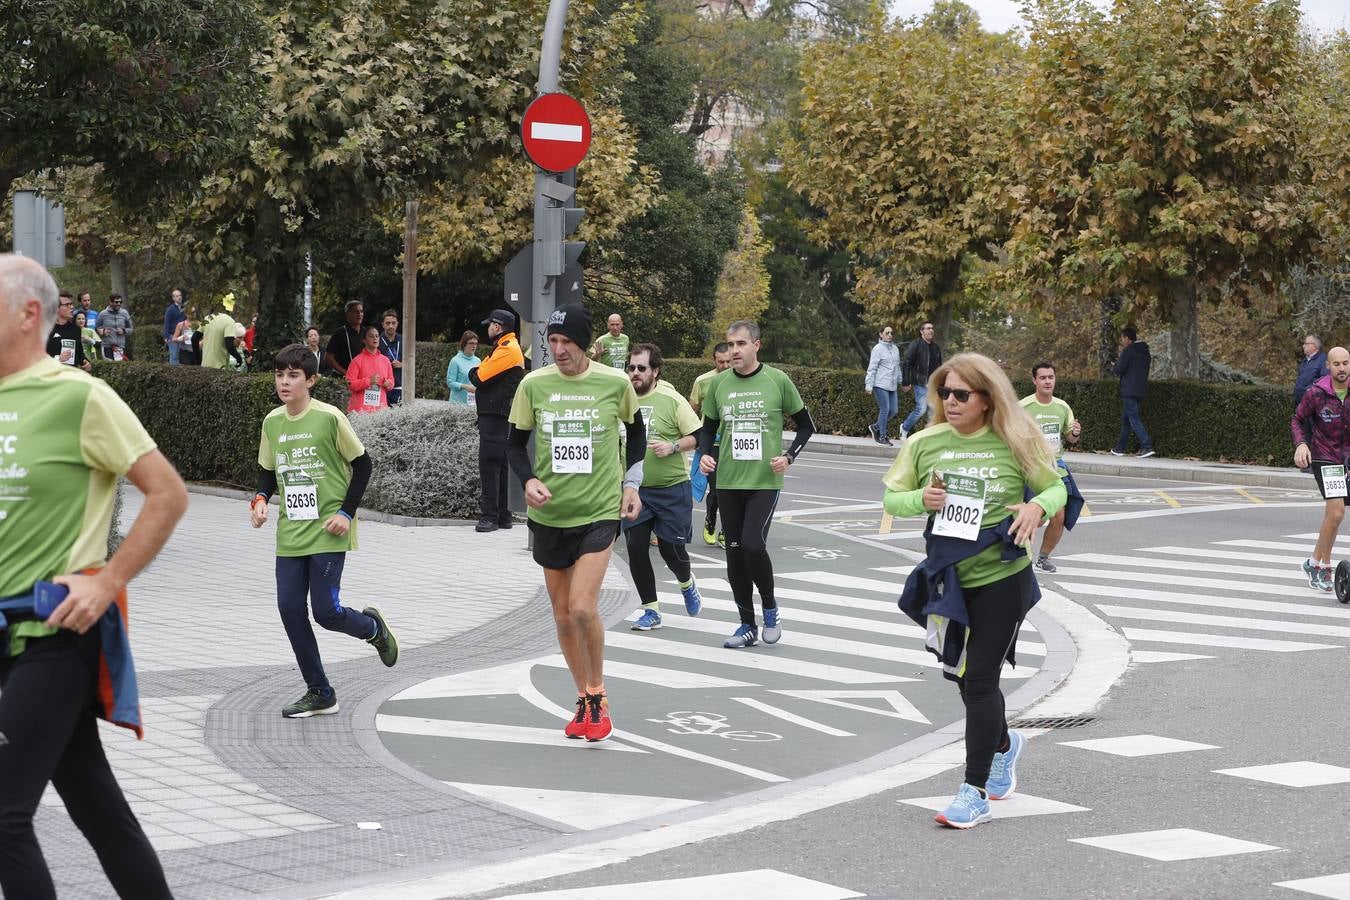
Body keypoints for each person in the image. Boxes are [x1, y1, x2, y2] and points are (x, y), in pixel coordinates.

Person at [0, 253, 188, 898]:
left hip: (57, 634)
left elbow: (167, 494)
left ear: (29, 313)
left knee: (5, 820)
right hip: (6, 636)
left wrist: (107, 581)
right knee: (97, 808)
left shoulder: (80, 395)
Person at [884, 352, 1066, 828]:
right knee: (964, 680)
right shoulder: (925, 442)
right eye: (944, 393)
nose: (951, 401)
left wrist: (1035, 509)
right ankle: (1005, 744)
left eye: (961, 394)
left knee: (981, 679)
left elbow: (1055, 488)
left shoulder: (1015, 437)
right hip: (950, 581)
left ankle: (974, 790)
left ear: (987, 399)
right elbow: (890, 499)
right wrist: (918, 499)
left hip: (1004, 578)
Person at [507, 303, 645, 742]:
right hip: (550, 513)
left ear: (585, 344)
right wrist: (527, 480)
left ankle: (598, 693)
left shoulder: (614, 382)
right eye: (553, 340)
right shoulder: (533, 384)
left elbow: (637, 431)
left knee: (584, 607)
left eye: (568, 341)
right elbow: (514, 444)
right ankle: (582, 697)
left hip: (599, 510)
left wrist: (631, 483)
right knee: (563, 616)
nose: (559, 349)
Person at [251, 343, 399, 718]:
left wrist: (347, 514)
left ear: (311, 380)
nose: (284, 382)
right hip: (291, 532)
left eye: (293, 376)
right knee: (289, 609)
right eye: (279, 375)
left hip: (329, 528)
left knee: (325, 612)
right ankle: (320, 692)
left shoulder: (330, 417)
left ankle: (372, 629)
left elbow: (363, 466)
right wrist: (259, 499)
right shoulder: (272, 421)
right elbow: (268, 470)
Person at [698, 320, 816, 648]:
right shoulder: (719, 385)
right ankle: (746, 625)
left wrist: (789, 457)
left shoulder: (777, 381)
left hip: (765, 481)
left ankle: (770, 607)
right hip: (728, 481)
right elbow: (706, 429)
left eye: (741, 344)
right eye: (730, 344)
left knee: (752, 544)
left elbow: (806, 426)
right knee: (734, 553)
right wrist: (706, 454)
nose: (734, 350)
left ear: (756, 346)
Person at [624, 343, 705, 630]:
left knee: (672, 551)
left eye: (641, 368)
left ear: (655, 371)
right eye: (631, 367)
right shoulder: (622, 400)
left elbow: (698, 435)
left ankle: (686, 582)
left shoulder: (672, 399)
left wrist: (673, 446)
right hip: (636, 490)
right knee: (635, 547)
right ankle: (651, 609)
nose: (635, 373)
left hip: (672, 488)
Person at [1291, 346, 1350, 592]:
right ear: (1328, 366)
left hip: (1347, 458)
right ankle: (1321, 568)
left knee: (1332, 517)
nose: (1342, 368)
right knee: (1336, 513)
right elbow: (1297, 419)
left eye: (1346, 363)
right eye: (1337, 364)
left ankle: (1313, 561)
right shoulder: (1317, 393)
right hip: (1325, 457)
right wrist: (1301, 444)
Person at [1019, 362, 1085, 573]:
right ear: (1034, 381)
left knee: (1059, 516)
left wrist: (1074, 433)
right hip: (1031, 467)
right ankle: (1019, 558)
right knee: (1034, 518)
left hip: (1056, 466)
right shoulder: (1023, 407)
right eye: (1043, 378)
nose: (1048, 381)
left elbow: (1070, 439)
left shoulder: (1062, 407)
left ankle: (1043, 558)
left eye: (1051, 377)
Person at [469, 310, 525, 532]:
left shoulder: (506, 349)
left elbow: (479, 377)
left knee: (489, 464)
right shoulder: (507, 346)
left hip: (495, 416)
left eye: (490, 324)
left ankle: (490, 517)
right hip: (498, 415)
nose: (487, 328)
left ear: (498, 326)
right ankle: (503, 516)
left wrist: (476, 370)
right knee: (499, 465)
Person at [689, 342, 733, 545]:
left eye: (728, 361)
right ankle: (710, 520)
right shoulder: (703, 381)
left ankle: (726, 530)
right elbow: (692, 411)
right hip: (713, 442)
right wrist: (695, 437)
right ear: (714, 360)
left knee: (732, 489)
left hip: (733, 441)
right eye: (721, 362)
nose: (725, 365)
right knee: (716, 488)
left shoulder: (740, 380)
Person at [1110, 326, 1154, 458]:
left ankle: (1147, 446)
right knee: (1127, 419)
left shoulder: (1128, 351)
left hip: (1129, 390)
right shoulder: (1145, 352)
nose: (1122, 341)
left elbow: (1119, 369)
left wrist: (1114, 365)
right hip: (1140, 390)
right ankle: (1119, 448)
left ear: (1128, 339)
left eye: (1123, 338)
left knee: (1133, 418)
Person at [900, 321, 942, 439]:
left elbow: (940, 367)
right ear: (921, 331)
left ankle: (930, 437)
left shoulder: (936, 348)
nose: (931, 330)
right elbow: (907, 363)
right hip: (920, 383)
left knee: (934, 411)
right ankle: (904, 428)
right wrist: (905, 381)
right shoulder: (916, 344)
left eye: (932, 328)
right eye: (928, 328)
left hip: (933, 385)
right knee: (921, 409)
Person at [345, 324, 395, 413]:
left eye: (377, 336)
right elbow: (350, 384)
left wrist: (389, 384)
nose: (375, 338)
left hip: (381, 409)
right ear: (364, 340)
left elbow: (391, 380)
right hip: (360, 411)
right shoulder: (357, 361)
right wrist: (368, 381)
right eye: (371, 336)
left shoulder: (386, 360)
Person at [866, 325, 901, 445]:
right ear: (881, 334)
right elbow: (872, 368)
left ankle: (875, 427)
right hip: (880, 384)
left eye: (891, 333)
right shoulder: (877, 349)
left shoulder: (895, 349)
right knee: (885, 409)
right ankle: (882, 436)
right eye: (887, 333)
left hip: (892, 385)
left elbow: (897, 367)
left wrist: (902, 381)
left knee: (894, 410)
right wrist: (869, 385)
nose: (890, 335)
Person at [46, 291, 91, 371]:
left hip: (71, 378)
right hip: (52, 378)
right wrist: (57, 359)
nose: (72, 307)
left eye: (71, 304)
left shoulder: (76, 329)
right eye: (67, 305)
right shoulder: (45, 330)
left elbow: (79, 353)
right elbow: (37, 360)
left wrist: (85, 362)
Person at [323, 300, 365, 377]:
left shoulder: (366, 332)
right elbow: (328, 357)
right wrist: (345, 372)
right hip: (344, 379)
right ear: (348, 314)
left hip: (363, 377)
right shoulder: (340, 333)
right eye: (356, 311)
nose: (359, 314)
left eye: (361, 311)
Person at [200, 294, 242, 369]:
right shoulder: (229, 321)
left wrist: (197, 359)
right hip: (220, 366)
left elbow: (194, 338)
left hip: (205, 365)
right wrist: (239, 358)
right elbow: (229, 345)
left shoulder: (207, 318)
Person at [446, 330, 481, 405]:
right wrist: (464, 386)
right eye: (471, 343)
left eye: (476, 343)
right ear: (464, 344)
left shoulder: (478, 361)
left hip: (473, 404)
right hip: (457, 404)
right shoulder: (455, 361)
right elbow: (450, 382)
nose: (474, 346)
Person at [378, 309, 404, 405]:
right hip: (383, 386)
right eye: (387, 323)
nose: (391, 326)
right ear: (383, 324)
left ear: (397, 323)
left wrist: (402, 364)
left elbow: (411, 361)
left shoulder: (403, 340)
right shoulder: (377, 341)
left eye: (393, 323)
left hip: (400, 386)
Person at [97, 293, 133, 361]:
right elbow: (97, 328)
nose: (119, 304)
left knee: (118, 369)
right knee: (109, 368)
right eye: (116, 302)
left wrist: (124, 331)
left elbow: (131, 329)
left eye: (120, 302)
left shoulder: (124, 313)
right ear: (110, 302)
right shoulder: (103, 314)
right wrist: (103, 331)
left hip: (119, 347)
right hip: (107, 346)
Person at [1295, 335, 1329, 407]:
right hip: (1299, 404)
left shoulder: (1323, 360)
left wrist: (1309, 391)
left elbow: (1324, 379)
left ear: (1314, 346)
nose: (1303, 346)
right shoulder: (1305, 361)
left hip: (1312, 404)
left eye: (1306, 344)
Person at [162, 288, 187, 365]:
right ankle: (173, 372)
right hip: (172, 336)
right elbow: (166, 323)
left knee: (182, 355)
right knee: (174, 355)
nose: (179, 297)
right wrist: (166, 337)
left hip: (182, 336)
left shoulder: (184, 308)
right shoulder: (170, 309)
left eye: (180, 295)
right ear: (173, 298)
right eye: (176, 296)